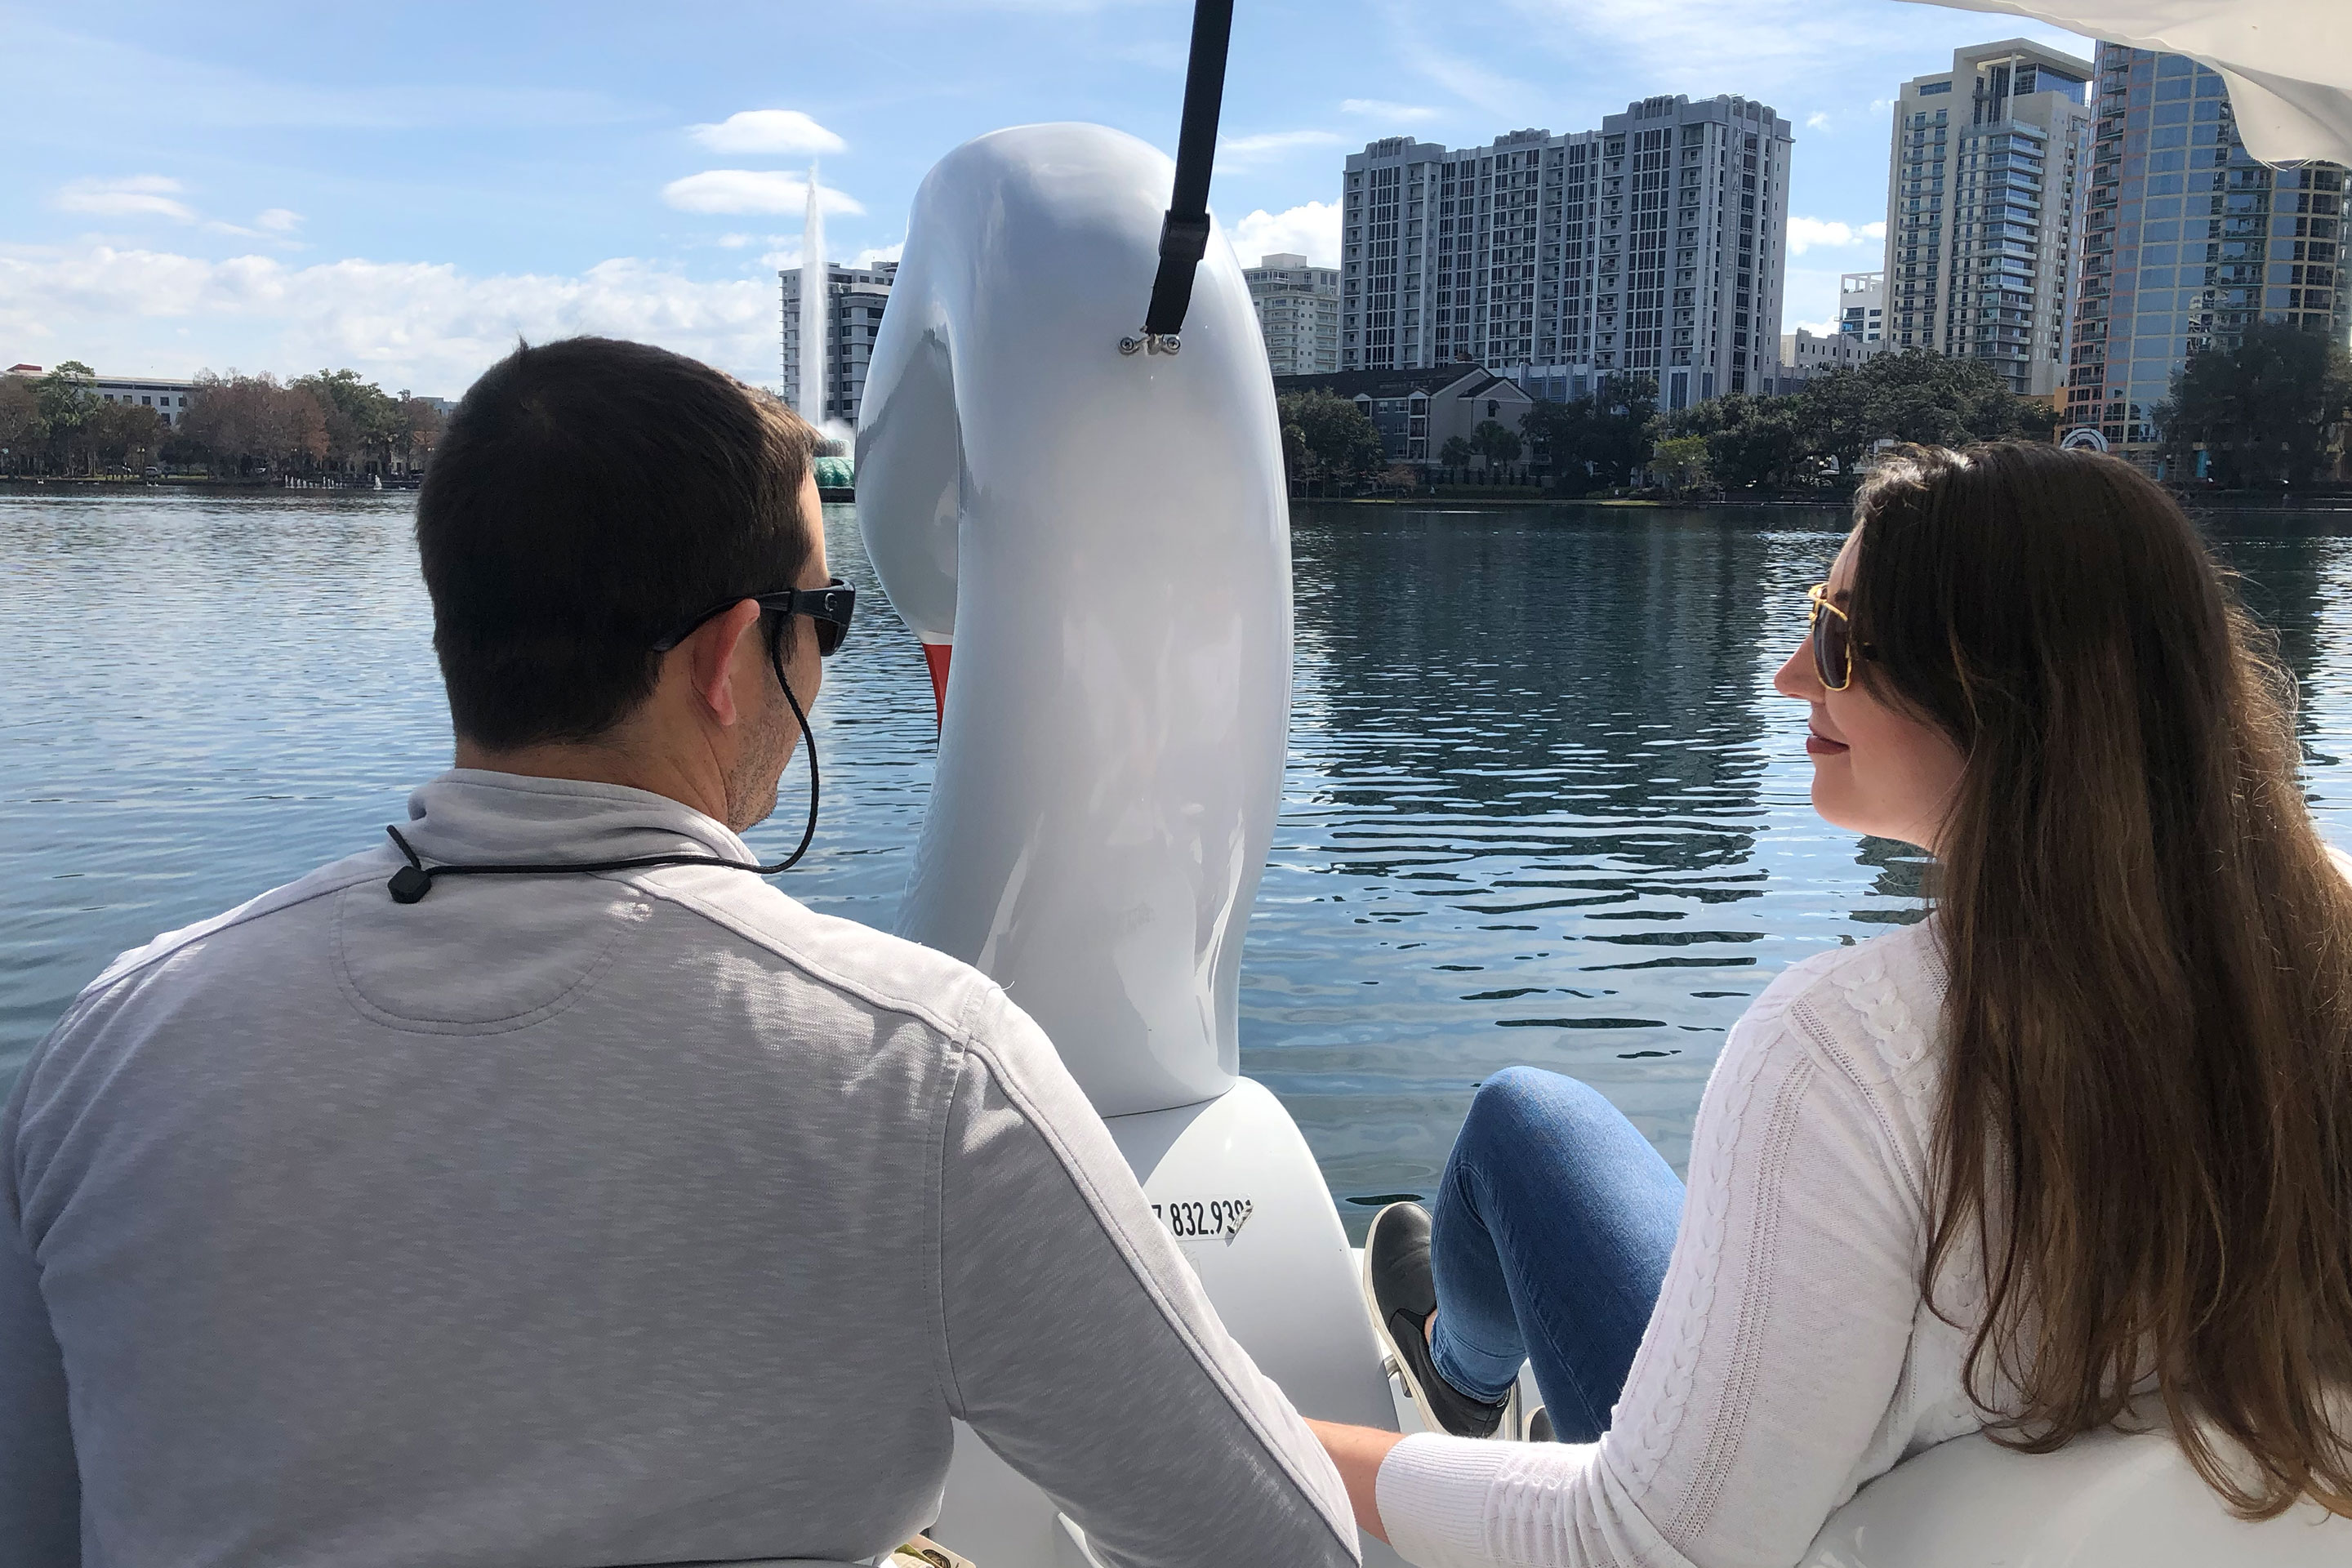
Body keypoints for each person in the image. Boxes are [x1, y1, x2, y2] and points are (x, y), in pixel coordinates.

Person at [0, 336, 1359, 1568]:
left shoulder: (116, 1044)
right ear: (727, 660)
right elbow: (1273, 1544)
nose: (822, 661)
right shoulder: (921, 1073)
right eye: (823, 619)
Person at [1309, 442, 2352, 1566]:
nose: (1791, 676)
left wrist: (1280, 1435)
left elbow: (1637, 1544)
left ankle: (1458, 1377)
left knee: (1520, 1125)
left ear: (2002, 690)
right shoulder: (2319, 943)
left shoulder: (1849, 1051)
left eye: (1840, 639)